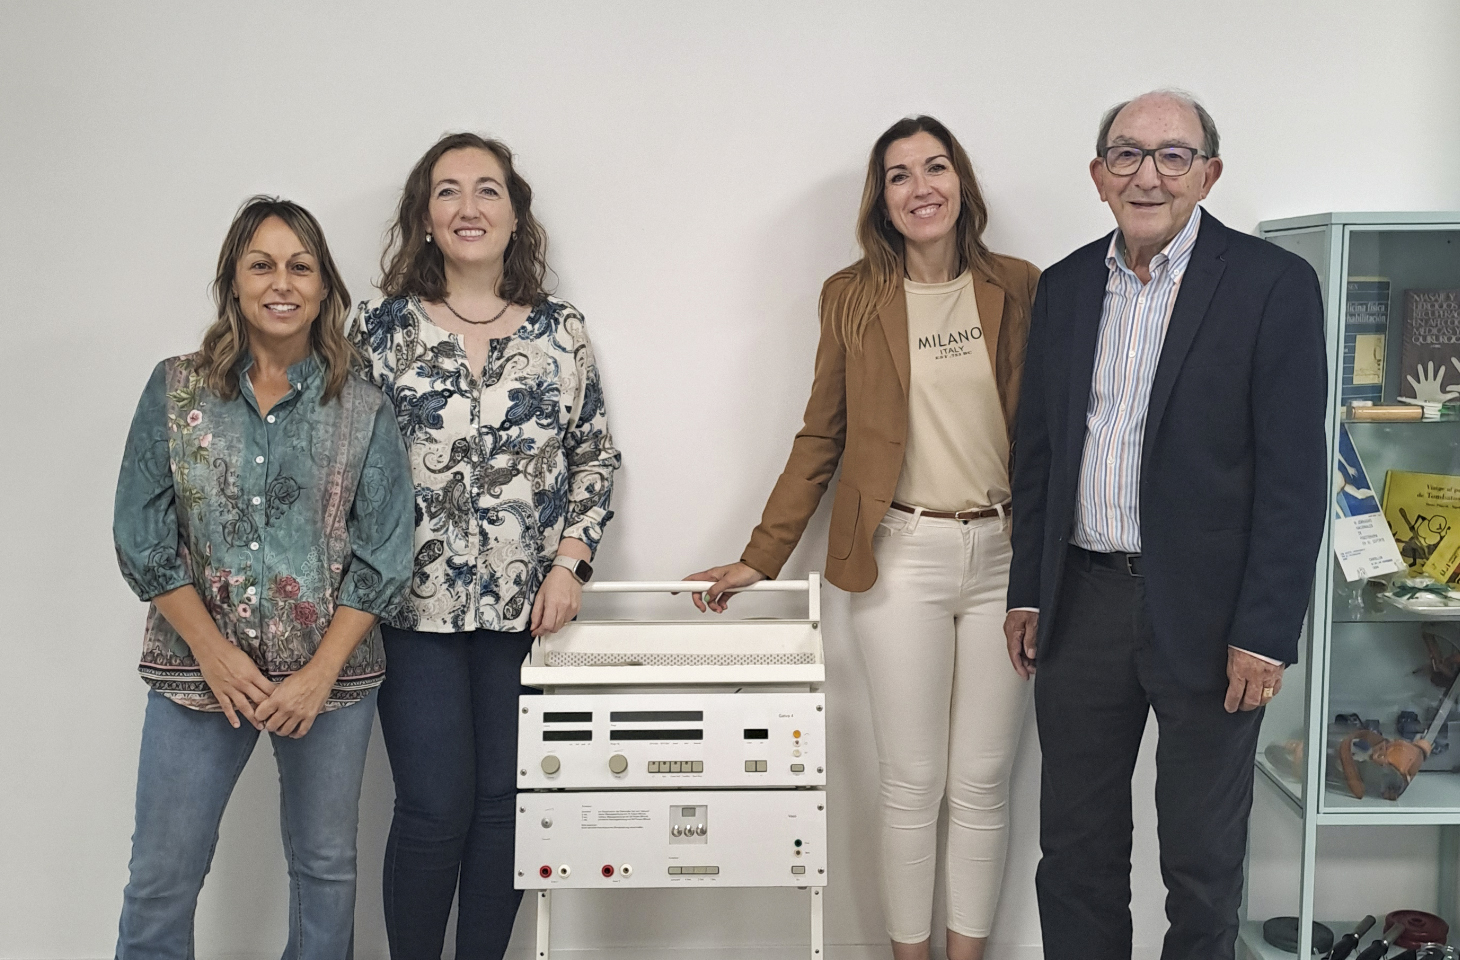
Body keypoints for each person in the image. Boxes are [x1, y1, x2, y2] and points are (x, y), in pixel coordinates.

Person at [688, 116, 1039, 960]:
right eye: (898, 175)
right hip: (902, 557)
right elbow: (822, 435)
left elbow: (1060, 432)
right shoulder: (853, 296)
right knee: (913, 782)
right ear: (880, 200)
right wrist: (760, 555)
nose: (921, 188)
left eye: (935, 168)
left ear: (962, 185)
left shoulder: (1024, 286)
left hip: (1007, 559)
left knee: (983, 784)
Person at [1004, 90, 1327, 960]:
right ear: (1099, 175)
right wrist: (1028, 591)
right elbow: (1037, 453)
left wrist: (1266, 631)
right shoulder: (1068, 287)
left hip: (1215, 619)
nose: (1148, 174)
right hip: (1081, 605)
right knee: (1074, 853)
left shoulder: (1273, 286)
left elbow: (1297, 479)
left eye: (1173, 155)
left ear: (1209, 173)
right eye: (1127, 155)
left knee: (1202, 859)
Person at [112, 196, 414, 959]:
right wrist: (215, 655)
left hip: (329, 683)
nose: (282, 282)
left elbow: (384, 555)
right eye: (262, 264)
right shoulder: (177, 391)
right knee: (161, 877)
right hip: (194, 675)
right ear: (234, 283)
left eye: (300, 266)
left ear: (322, 288)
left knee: (324, 870)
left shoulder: (364, 408)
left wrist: (319, 675)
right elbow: (142, 537)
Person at [350, 132, 621, 960]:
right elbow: (344, 466)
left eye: (487, 190)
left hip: (525, 612)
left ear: (514, 214)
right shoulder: (381, 329)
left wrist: (571, 562)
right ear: (424, 219)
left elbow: (594, 455)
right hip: (409, 608)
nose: (468, 206)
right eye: (447, 191)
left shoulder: (559, 331)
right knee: (435, 807)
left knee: (507, 807)